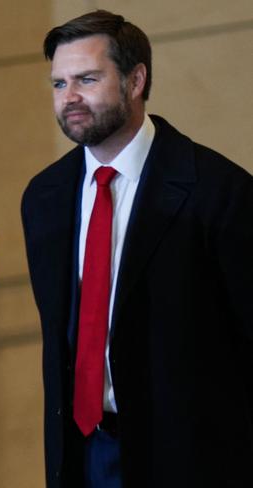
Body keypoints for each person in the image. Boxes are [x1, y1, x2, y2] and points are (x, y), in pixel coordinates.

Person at [21, 10, 253, 488]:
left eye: (87, 79)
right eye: (59, 84)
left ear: (136, 79)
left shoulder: (219, 190)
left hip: (194, 459)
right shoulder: (44, 197)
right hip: (83, 453)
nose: (71, 99)